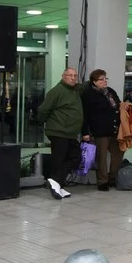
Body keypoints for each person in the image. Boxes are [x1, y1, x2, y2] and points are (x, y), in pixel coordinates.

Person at [37, 67, 84, 198]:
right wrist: (44, 122)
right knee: (59, 159)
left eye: (75, 75)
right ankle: (56, 183)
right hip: (59, 131)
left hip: (70, 133)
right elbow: (43, 110)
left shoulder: (75, 90)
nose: (73, 78)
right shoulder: (57, 91)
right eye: (70, 75)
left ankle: (57, 183)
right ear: (63, 76)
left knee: (75, 157)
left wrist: (95, 80)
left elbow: (85, 86)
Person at [81, 69, 124, 192]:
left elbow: (118, 106)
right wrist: (85, 132)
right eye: (101, 79)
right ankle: (102, 181)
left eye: (105, 78)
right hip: (100, 130)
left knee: (118, 153)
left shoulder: (110, 92)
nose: (105, 81)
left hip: (115, 129)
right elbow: (84, 115)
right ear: (94, 82)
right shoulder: (88, 95)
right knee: (101, 157)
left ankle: (112, 177)